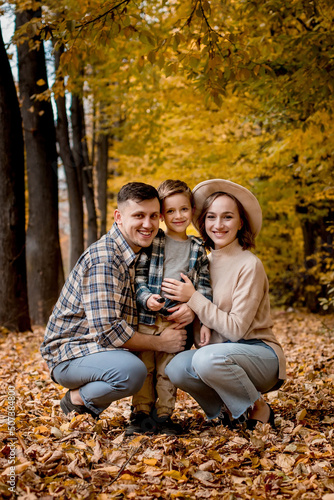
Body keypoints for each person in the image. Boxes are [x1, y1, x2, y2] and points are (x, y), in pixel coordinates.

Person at [40, 182, 188, 421]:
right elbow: (109, 332)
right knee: (131, 372)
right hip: (70, 353)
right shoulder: (106, 259)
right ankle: (77, 400)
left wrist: (190, 306)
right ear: (118, 217)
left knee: (135, 366)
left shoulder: (142, 249)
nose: (148, 224)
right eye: (138, 215)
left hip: (97, 348)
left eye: (153, 216)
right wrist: (160, 343)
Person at [162, 179, 286, 429]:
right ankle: (229, 412)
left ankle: (258, 407)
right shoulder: (201, 262)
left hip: (259, 355)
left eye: (227, 217)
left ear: (241, 223)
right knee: (176, 367)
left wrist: (193, 298)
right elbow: (199, 317)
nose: (218, 225)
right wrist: (187, 309)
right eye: (211, 217)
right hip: (218, 357)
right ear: (203, 222)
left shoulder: (249, 264)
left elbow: (235, 331)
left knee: (205, 359)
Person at [126, 180, 212, 436]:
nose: (178, 216)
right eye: (171, 211)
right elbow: (139, 277)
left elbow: (205, 286)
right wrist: (146, 299)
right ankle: (141, 413)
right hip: (148, 316)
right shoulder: (154, 241)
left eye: (183, 209)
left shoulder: (197, 247)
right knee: (145, 368)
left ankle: (163, 415)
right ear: (162, 215)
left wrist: (200, 315)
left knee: (166, 371)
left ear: (192, 210)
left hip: (176, 320)